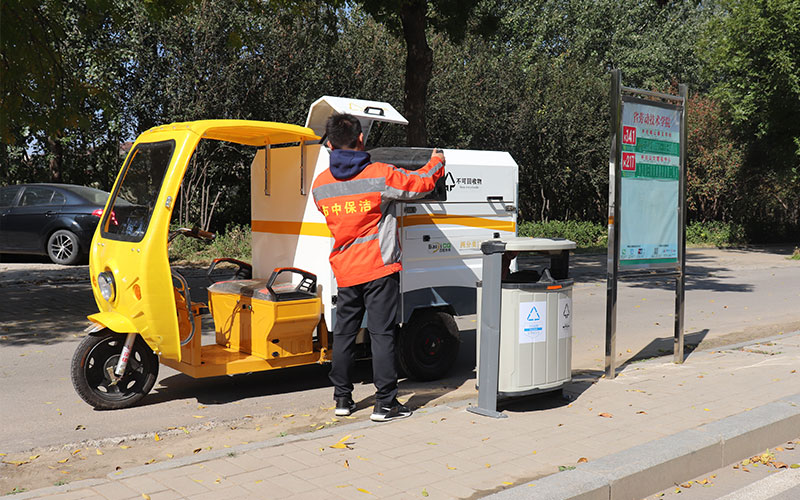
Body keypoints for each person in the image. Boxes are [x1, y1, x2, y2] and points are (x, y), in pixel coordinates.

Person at [312, 113, 445, 422]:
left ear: (330, 144)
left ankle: (342, 399)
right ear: (361, 139)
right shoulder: (379, 174)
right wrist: (436, 161)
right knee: (382, 335)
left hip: (345, 270)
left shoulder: (320, 185)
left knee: (344, 335)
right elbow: (420, 184)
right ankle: (385, 404)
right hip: (379, 268)